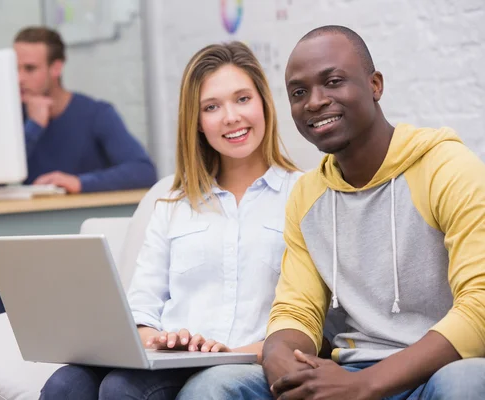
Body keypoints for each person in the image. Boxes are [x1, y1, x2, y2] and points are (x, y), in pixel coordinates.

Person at [40, 41, 302, 400]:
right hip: (173, 360)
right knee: (65, 384)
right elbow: (141, 310)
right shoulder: (174, 204)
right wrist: (163, 340)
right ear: (196, 122)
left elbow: (311, 318)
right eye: (212, 107)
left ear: (264, 104)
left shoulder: (301, 194)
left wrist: (236, 351)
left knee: (122, 389)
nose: (231, 117)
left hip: (245, 361)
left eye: (243, 99)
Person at [253, 25, 485, 399]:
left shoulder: (446, 168)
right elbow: (296, 309)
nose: (314, 101)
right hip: (351, 370)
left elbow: (480, 305)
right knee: (220, 385)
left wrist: (363, 386)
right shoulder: (307, 196)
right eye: (299, 92)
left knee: (467, 382)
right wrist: (281, 358)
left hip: (439, 370)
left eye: (332, 81)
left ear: (375, 85)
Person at [0, 26, 157, 320]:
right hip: (27, 243)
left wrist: (79, 182)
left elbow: (143, 170)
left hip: (80, 247)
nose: (19, 78)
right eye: (14, 69)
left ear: (56, 68)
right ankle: (25, 346)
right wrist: (34, 127)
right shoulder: (13, 119)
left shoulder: (96, 114)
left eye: (30, 68)